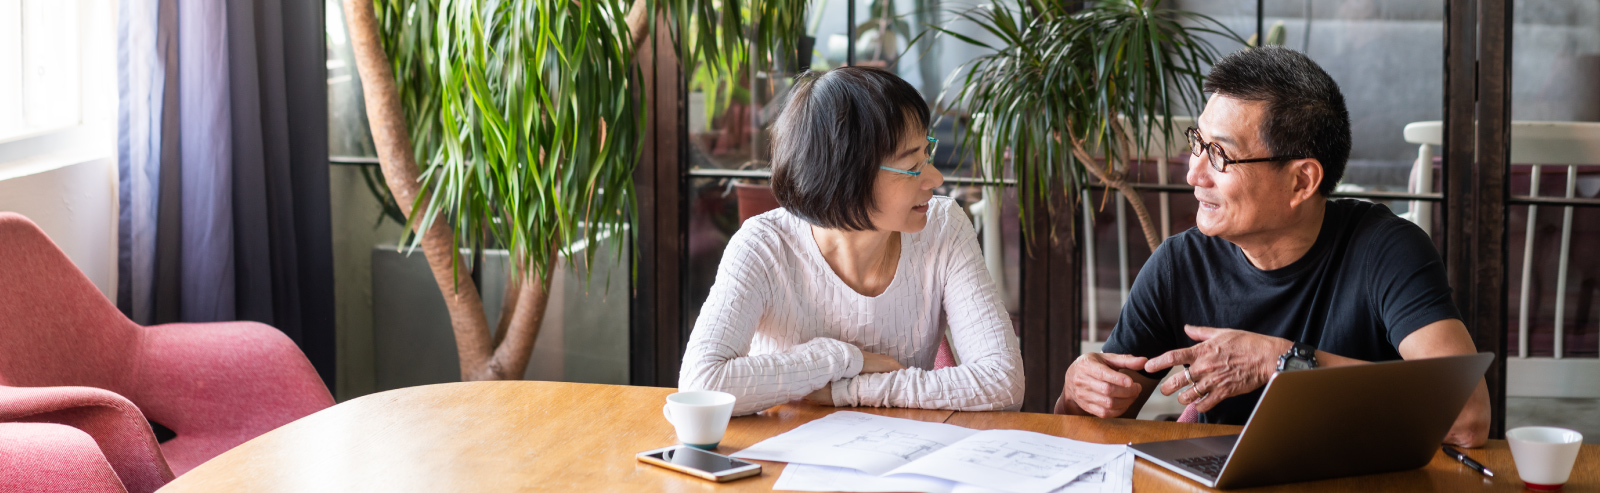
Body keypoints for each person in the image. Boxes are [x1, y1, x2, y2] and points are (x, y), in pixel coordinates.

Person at [1054, 46, 1491, 448]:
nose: (1194, 174)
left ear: (1301, 181)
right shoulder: (1180, 264)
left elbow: (1466, 417)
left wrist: (1283, 362)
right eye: (1197, 144)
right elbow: (1094, 421)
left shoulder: (1385, 249)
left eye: (1220, 155)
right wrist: (1077, 392)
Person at [680, 66, 1024, 416]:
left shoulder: (943, 226)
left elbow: (1004, 381)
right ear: (846, 176)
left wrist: (851, 389)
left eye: (927, 154)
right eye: (912, 165)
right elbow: (701, 384)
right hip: (784, 457)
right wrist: (841, 358)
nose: (934, 178)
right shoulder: (763, 247)